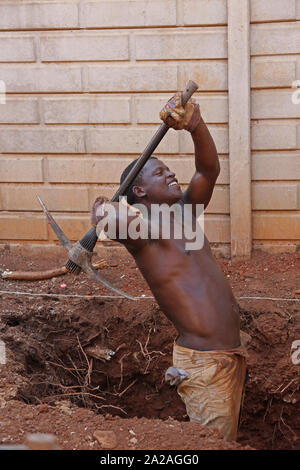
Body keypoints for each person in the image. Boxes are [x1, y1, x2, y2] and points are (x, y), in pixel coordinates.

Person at [91, 93, 247, 441]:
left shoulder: (186, 215)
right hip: (204, 365)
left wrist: (196, 125)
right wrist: (104, 209)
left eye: (169, 168)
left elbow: (209, 170)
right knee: (211, 446)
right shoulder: (143, 232)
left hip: (230, 355)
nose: (171, 173)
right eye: (159, 172)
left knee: (226, 440)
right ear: (139, 190)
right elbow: (109, 220)